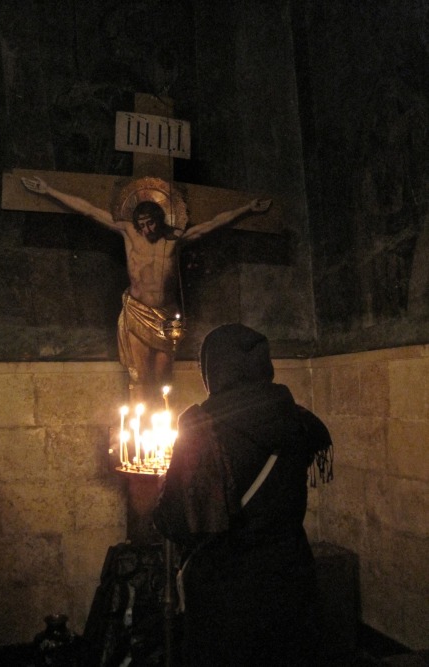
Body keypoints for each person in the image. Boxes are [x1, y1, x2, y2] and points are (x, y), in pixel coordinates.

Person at [153, 323, 334, 666]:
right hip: (291, 582)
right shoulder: (296, 418)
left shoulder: (201, 428)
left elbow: (176, 521)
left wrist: (164, 495)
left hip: (227, 596)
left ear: (214, 369)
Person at [21, 176, 271, 402]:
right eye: (142, 224)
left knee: (163, 378)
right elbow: (88, 210)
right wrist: (48, 190)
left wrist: (247, 209)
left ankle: (161, 432)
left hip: (165, 317)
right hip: (137, 312)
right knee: (139, 377)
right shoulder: (129, 233)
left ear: (159, 220)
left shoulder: (174, 240)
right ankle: (139, 429)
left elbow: (212, 224)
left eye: (150, 223)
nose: (146, 229)